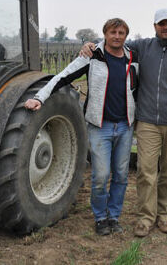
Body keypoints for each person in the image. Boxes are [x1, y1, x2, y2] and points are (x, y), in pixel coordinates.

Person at [80, 9, 167, 237]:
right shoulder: (143, 47)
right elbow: (114, 41)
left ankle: (163, 214)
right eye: (161, 24)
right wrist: (91, 45)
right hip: (148, 121)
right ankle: (145, 217)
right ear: (155, 27)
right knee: (145, 171)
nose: (165, 27)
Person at [25, 18, 138, 236]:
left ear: (126, 35)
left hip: (125, 126)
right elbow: (62, 77)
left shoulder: (133, 58)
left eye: (121, 32)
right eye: (113, 32)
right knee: (101, 176)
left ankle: (114, 216)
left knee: (122, 175)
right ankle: (100, 217)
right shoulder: (92, 56)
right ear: (105, 34)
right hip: (100, 126)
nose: (117, 36)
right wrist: (40, 97)